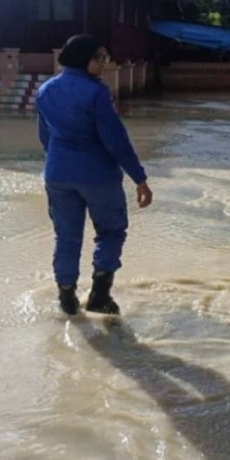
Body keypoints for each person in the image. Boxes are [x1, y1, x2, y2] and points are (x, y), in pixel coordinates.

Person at [36, 35, 153, 316]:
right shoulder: (96, 93)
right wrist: (140, 178)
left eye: (105, 57)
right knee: (111, 232)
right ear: (82, 58)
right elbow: (116, 141)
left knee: (66, 237)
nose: (104, 63)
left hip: (58, 175)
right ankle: (99, 295)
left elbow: (44, 137)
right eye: (98, 57)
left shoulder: (45, 90)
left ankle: (67, 299)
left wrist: (58, 164)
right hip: (98, 176)